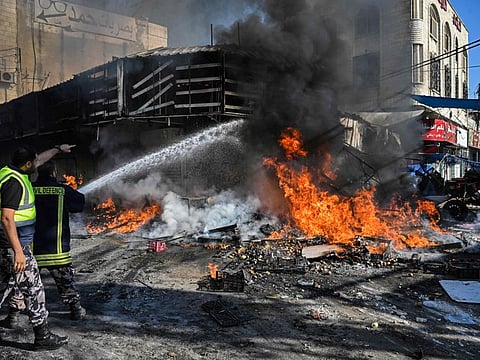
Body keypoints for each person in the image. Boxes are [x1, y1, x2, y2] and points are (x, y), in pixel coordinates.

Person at [0, 144, 75, 351]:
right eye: (34, 161)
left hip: (6, 246)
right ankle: (42, 337)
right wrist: (17, 251)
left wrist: (58, 149)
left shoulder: (8, 172)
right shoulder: (14, 183)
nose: (37, 163)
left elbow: (40, 160)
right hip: (14, 247)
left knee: (4, 288)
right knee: (34, 290)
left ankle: (40, 334)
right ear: (27, 164)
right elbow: (7, 218)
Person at [9, 160, 86, 320]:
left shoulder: (28, 189)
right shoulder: (62, 190)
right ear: (54, 173)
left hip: (31, 248)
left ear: (38, 173)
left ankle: (13, 316)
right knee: (65, 281)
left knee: (21, 282)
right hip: (57, 250)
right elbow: (79, 205)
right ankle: (76, 310)